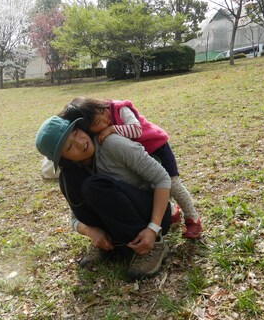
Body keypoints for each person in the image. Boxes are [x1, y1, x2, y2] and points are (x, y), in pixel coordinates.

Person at [35, 115, 172, 280]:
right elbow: (75, 217)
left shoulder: (112, 144)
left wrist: (153, 228)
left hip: (153, 213)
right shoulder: (73, 173)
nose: (80, 142)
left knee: (94, 186)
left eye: (76, 132)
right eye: (70, 147)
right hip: (123, 219)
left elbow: (162, 178)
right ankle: (113, 246)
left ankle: (153, 246)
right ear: (65, 159)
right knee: (70, 181)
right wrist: (90, 231)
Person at [60, 96, 202, 239]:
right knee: (150, 182)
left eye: (102, 111)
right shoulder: (83, 163)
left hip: (158, 147)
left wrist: (113, 129)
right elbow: (75, 214)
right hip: (142, 153)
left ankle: (192, 218)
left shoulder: (120, 110)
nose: (105, 119)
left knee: (173, 184)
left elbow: (137, 130)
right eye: (97, 123)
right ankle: (171, 212)